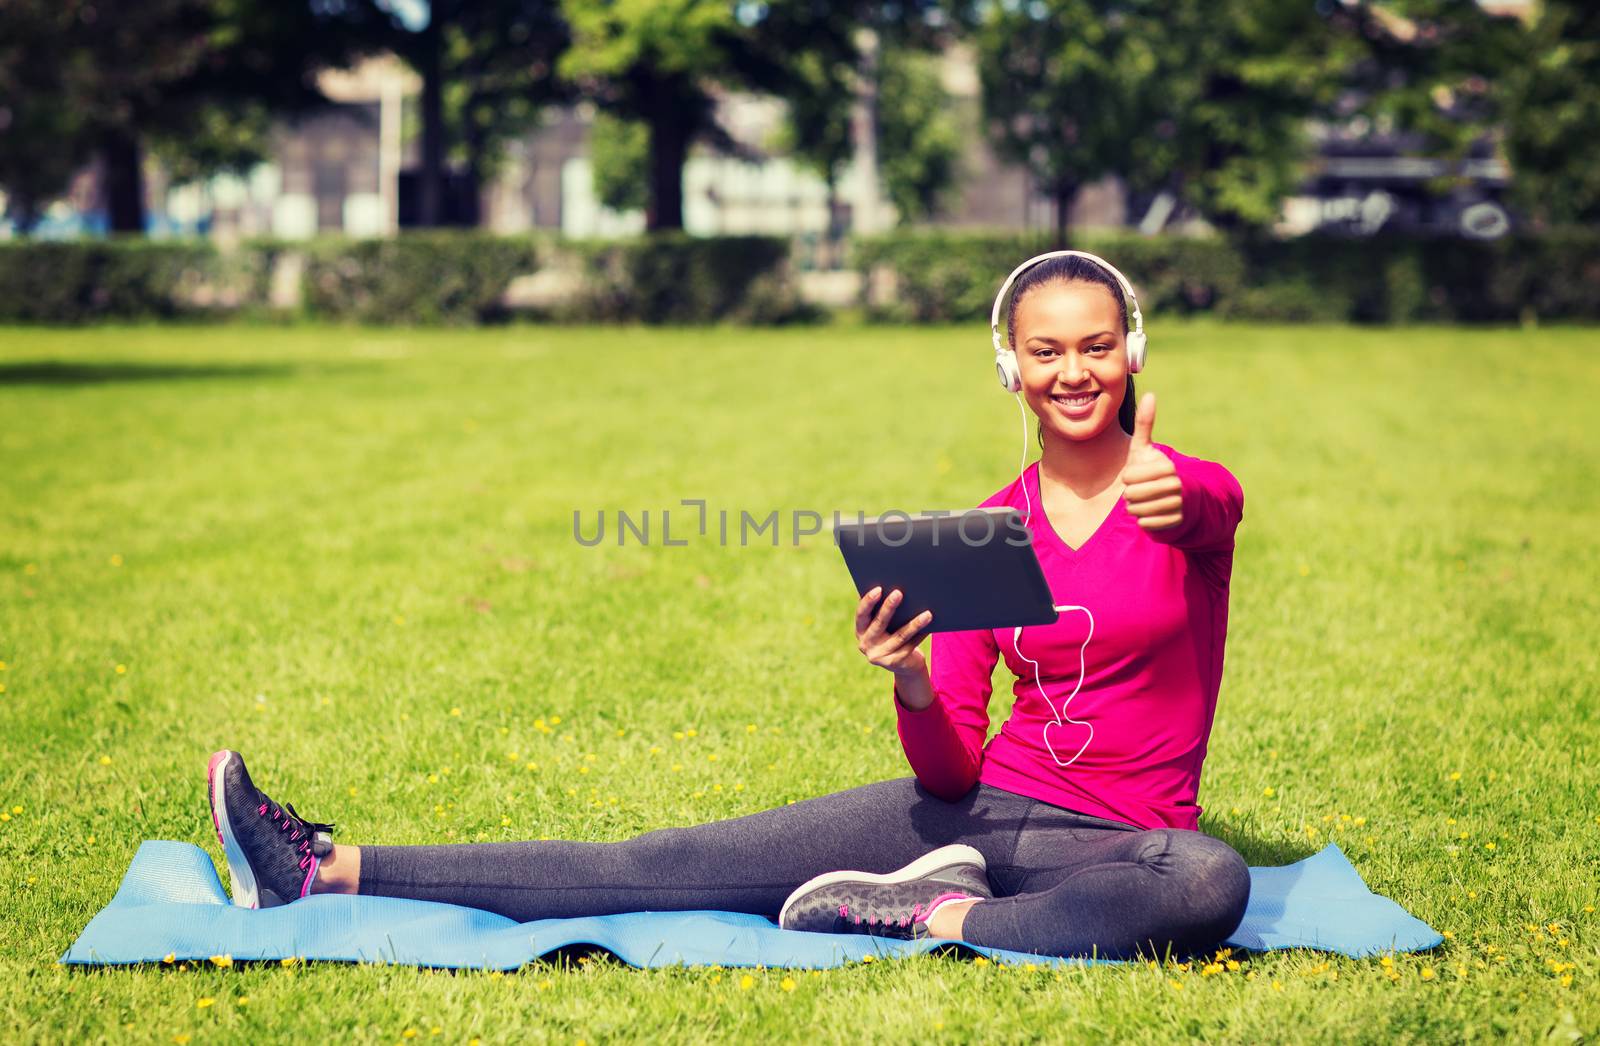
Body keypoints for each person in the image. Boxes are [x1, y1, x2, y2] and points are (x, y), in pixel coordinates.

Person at [205, 251, 1251, 961]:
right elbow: (950, 769)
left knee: (1207, 879)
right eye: (1046, 351)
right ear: (1009, 368)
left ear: (1132, 353)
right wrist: (913, 681)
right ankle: (322, 869)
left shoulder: (1187, 495)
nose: (1074, 371)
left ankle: (937, 913)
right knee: (657, 863)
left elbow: (1214, 508)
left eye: (1096, 345)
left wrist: (1175, 491)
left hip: (1119, 838)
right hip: (977, 810)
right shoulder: (987, 529)